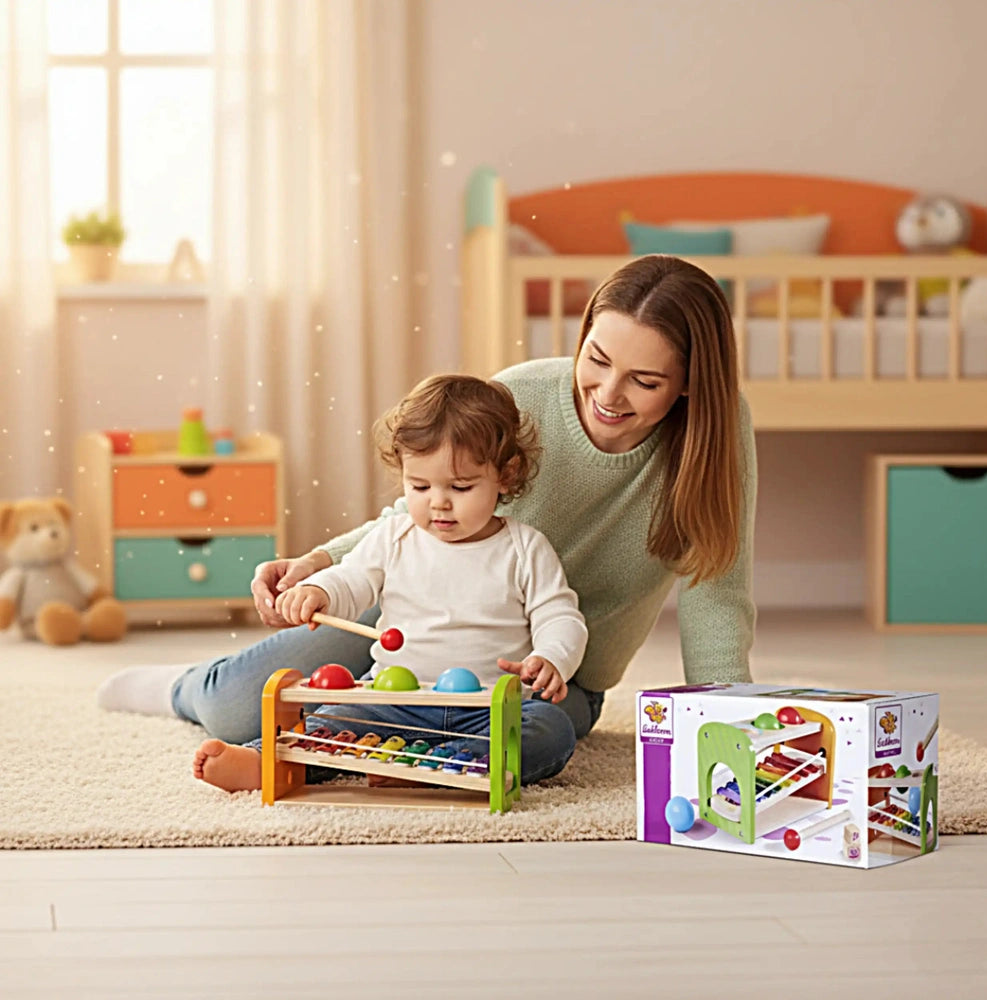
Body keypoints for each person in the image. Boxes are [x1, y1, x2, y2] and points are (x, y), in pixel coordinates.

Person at [99, 253, 756, 762]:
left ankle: (346, 751)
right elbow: (418, 514)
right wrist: (323, 561)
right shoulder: (522, 396)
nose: (608, 394)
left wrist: (728, 732)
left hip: (543, 675)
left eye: (644, 382)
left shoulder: (713, 446)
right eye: (597, 360)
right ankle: (183, 688)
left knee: (519, 743)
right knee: (241, 706)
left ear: (691, 384)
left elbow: (716, 597)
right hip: (411, 627)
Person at [154, 375, 588, 791]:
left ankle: (440, 763)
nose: (438, 501)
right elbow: (353, 580)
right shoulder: (393, 536)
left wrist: (552, 656)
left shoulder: (525, 548)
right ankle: (264, 760)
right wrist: (319, 591)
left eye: (460, 486)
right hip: (396, 701)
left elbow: (559, 616)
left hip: (489, 708)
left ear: (506, 476)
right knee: (331, 719)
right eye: (419, 485)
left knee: (550, 730)